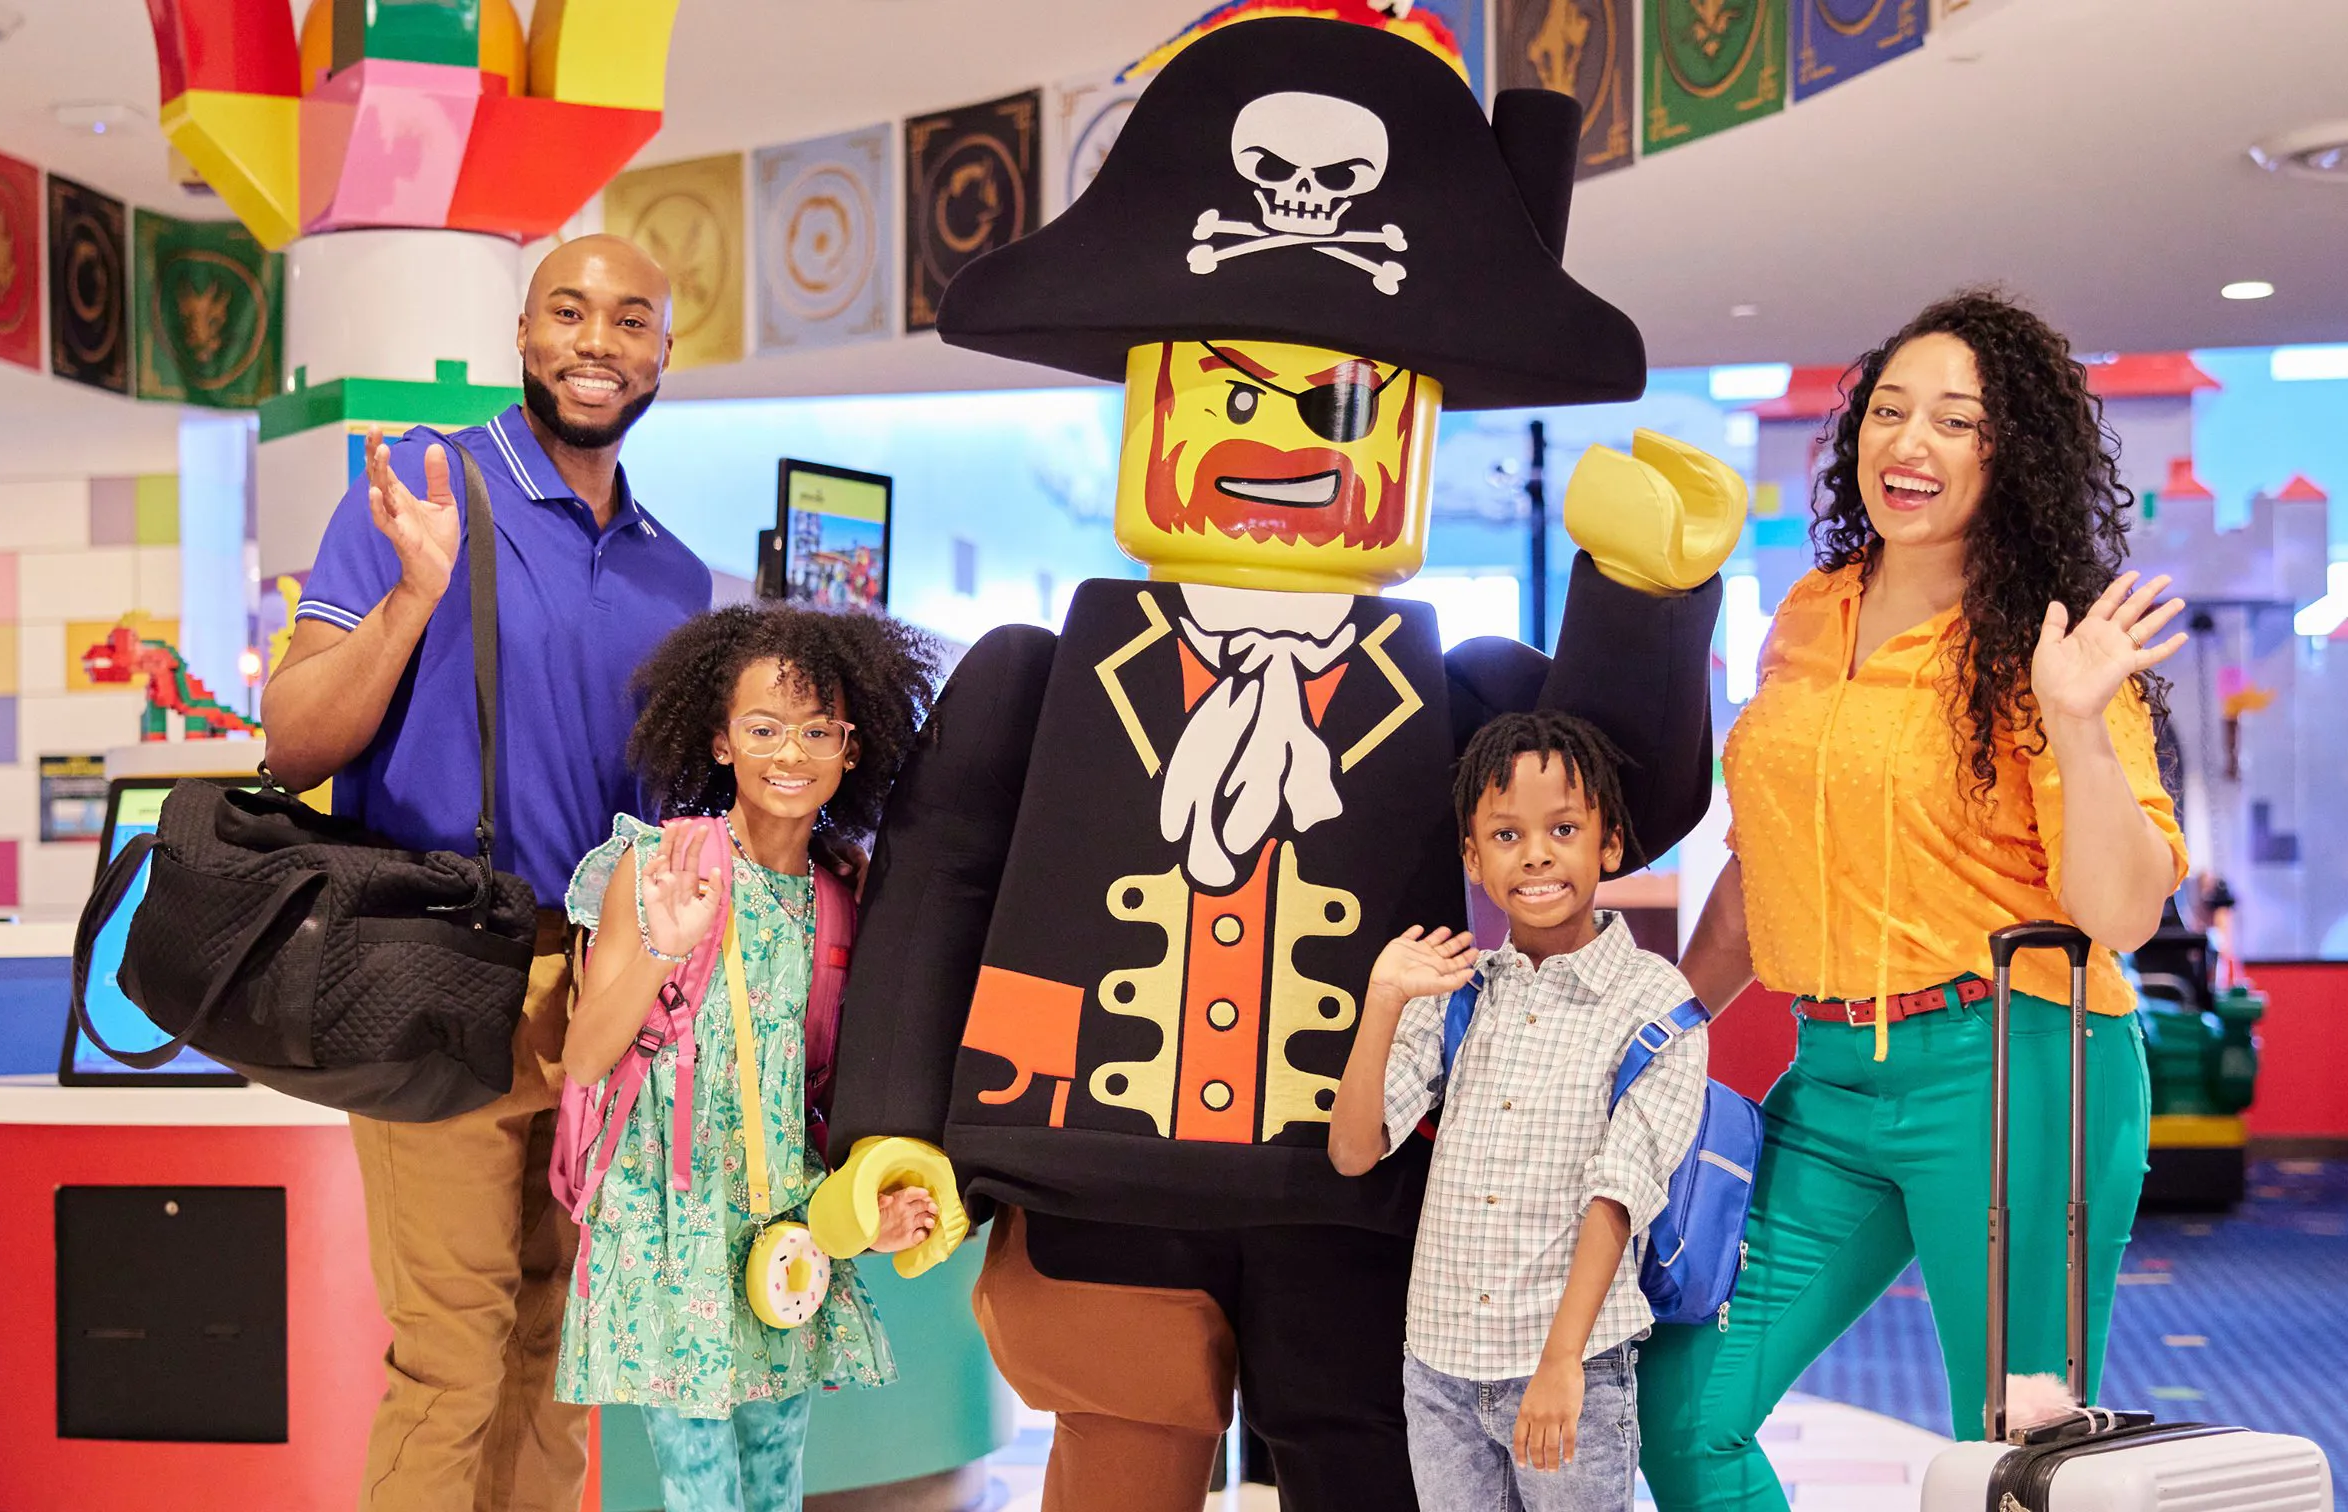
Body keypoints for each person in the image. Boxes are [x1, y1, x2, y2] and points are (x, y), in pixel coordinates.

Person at [811, 16, 1742, 1510]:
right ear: (1150, 405)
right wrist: (894, 1129)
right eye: (1233, 395)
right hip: (1090, 1177)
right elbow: (937, 896)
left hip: (1361, 1195)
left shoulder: (1458, 697)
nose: (1286, 439)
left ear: (1415, 430)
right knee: (1122, 1450)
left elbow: (1607, 804)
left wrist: (1640, 598)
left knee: (1361, 1457)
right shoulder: (1036, 682)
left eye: (1338, 406)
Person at [1635, 289, 2192, 1511]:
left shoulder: (2053, 642)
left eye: (1955, 420)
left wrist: (2076, 723)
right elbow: (1758, 867)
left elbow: (2124, 913)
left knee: (2010, 1458)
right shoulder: (1810, 609)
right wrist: (1647, 1043)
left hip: (2016, 1070)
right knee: (1683, 1413)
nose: (1909, 444)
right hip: (1829, 1079)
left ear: (2016, 453)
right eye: (1889, 412)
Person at [259, 233, 708, 1512]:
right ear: (523, 334)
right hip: (434, 968)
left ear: (663, 355)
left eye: (632, 320)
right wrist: (416, 596)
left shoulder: (677, 570)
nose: (598, 342)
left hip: (602, 997)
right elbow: (292, 745)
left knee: (564, 1351)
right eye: (569, 312)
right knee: (454, 1356)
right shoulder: (424, 485)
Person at [554, 606, 949, 1512]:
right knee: (705, 1495)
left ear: (854, 748)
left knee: (774, 1489)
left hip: (785, 1223)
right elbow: (584, 1056)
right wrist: (662, 941)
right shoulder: (658, 863)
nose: (791, 753)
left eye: (819, 731)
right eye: (764, 728)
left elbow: (833, 1090)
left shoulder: (845, 893)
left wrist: (865, 1211)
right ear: (721, 741)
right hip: (669, 1228)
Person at [1326, 713, 1711, 1512]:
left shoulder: (1655, 1003)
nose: (1536, 853)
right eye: (1506, 835)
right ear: (1473, 856)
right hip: (1437, 1368)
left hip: (1570, 1365)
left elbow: (1621, 1190)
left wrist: (1562, 1362)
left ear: (1608, 845)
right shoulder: (1458, 990)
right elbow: (1354, 1151)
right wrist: (1384, 1000)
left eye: (1563, 828)